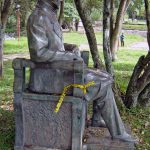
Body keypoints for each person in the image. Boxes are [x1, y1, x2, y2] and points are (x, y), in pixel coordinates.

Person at [27, 0, 136, 142]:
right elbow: (38, 53)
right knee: (99, 82)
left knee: (105, 76)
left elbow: (54, 47)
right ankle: (118, 132)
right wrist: (68, 56)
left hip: (57, 71)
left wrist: (70, 47)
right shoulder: (38, 17)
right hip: (47, 78)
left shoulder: (49, 15)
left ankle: (97, 119)